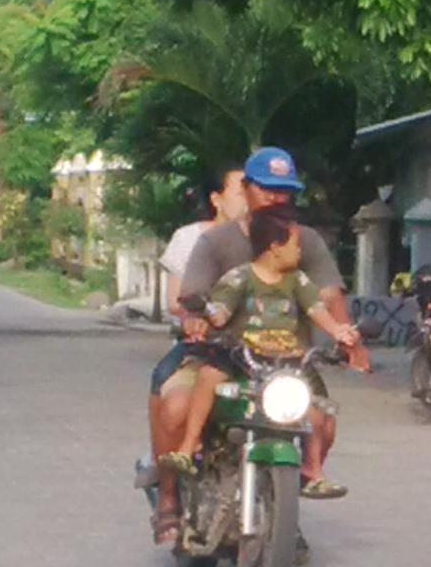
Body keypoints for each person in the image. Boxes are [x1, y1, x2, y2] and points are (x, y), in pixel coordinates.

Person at [159, 204, 363, 480]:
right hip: (242, 357)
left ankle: (313, 470)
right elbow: (221, 313)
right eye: (295, 245)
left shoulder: (298, 281)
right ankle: (188, 445)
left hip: (287, 361)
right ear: (274, 247)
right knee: (208, 377)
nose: (300, 251)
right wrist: (205, 314)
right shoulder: (240, 277)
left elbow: (317, 311)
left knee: (316, 415)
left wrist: (340, 332)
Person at [143, 167, 247, 544]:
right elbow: (176, 300)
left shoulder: (270, 238)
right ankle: (168, 497)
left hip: (260, 352)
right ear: (216, 198)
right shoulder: (191, 238)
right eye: (240, 189)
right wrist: (194, 318)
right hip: (202, 348)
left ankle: (280, 504)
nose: (248, 196)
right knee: (169, 399)